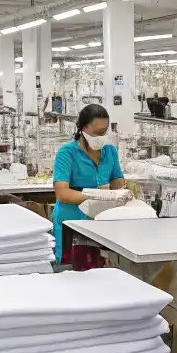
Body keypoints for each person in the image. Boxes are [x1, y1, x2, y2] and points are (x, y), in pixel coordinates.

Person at [52, 103, 125, 263]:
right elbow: (62, 193)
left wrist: (123, 192)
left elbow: (117, 182)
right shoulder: (68, 153)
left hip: (101, 222)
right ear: (82, 129)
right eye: (98, 132)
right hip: (73, 222)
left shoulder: (110, 151)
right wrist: (97, 196)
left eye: (105, 131)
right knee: (74, 273)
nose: (102, 136)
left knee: (100, 270)